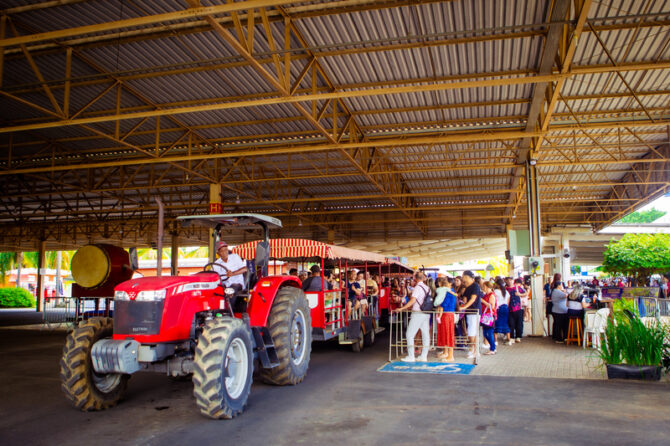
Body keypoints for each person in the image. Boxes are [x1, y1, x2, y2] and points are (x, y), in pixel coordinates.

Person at [393, 271, 431, 362]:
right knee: (425, 335)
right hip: (426, 313)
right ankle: (424, 356)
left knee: (409, 334)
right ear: (423, 278)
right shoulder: (427, 288)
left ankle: (411, 356)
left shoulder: (418, 287)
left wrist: (402, 308)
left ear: (415, 279)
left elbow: (413, 300)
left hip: (417, 313)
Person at [433, 277, 457, 361]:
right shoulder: (448, 291)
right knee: (445, 333)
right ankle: (446, 352)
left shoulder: (449, 292)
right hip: (446, 314)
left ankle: (450, 355)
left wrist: (439, 305)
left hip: (447, 314)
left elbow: (444, 304)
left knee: (448, 334)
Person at [460, 270, 482, 359]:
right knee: (471, 331)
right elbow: (465, 298)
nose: (463, 279)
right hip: (469, 312)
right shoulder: (467, 287)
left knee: (472, 332)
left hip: (474, 312)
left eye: (464, 277)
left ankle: (474, 350)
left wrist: (464, 307)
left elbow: (473, 299)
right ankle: (474, 349)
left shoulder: (475, 286)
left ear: (470, 278)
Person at [480, 281, 497, 355]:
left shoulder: (491, 295)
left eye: (484, 286)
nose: (483, 288)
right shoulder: (486, 295)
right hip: (485, 316)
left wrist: (483, 301)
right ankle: (492, 347)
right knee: (485, 333)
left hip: (490, 316)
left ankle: (492, 348)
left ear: (487, 287)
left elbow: (491, 306)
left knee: (489, 333)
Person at [505, 278, 524, 342]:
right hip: (509, 308)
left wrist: (519, 294)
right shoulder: (506, 289)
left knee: (519, 323)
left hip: (518, 308)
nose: (509, 281)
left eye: (510, 280)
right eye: (508, 280)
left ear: (513, 281)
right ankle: (511, 337)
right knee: (511, 323)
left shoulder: (517, 288)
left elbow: (525, 293)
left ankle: (518, 336)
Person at [493, 279, 511, 346]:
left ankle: (495, 341)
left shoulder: (495, 291)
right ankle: (508, 340)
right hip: (505, 308)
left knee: (496, 324)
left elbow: (494, 300)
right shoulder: (506, 292)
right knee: (505, 323)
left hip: (499, 308)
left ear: (498, 285)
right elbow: (508, 301)